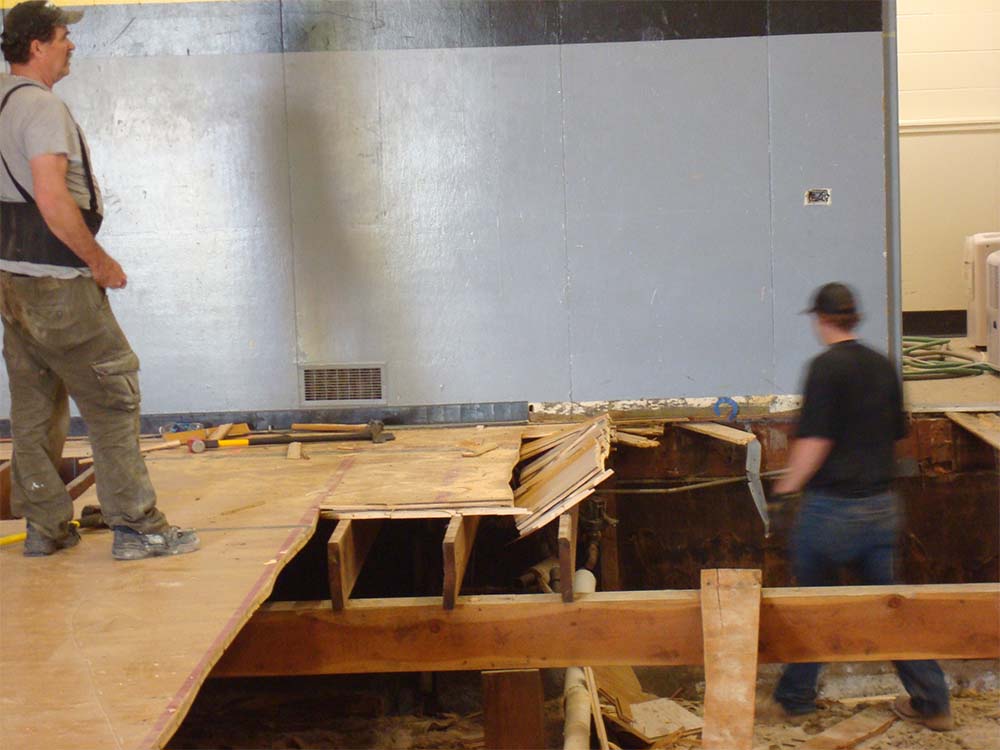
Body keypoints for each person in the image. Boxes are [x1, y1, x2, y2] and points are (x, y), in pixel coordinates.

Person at [1, 1, 199, 560]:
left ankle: (46, 527)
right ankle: (137, 527)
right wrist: (99, 262)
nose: (72, 45)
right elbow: (51, 198)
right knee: (113, 395)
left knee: (35, 405)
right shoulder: (41, 107)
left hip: (13, 281)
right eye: (63, 36)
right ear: (37, 45)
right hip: (59, 283)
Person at [767, 282, 952, 731]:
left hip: (830, 512)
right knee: (888, 609)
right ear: (855, 317)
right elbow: (895, 432)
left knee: (816, 607)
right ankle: (933, 702)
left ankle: (795, 699)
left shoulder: (824, 368)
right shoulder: (882, 365)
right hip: (881, 508)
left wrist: (786, 490)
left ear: (820, 319)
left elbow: (816, 442)